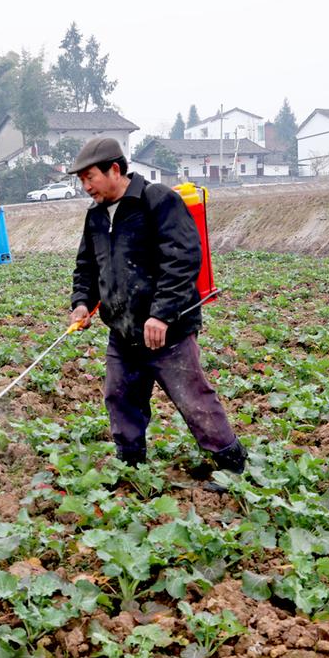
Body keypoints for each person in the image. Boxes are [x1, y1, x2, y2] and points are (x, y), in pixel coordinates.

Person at [67, 137, 246, 478]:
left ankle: (231, 464)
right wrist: (80, 304)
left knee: (193, 399)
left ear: (114, 169)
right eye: (82, 180)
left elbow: (183, 259)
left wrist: (161, 314)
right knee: (120, 397)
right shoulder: (96, 216)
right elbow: (87, 266)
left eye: (90, 177)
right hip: (123, 329)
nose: (86, 186)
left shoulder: (157, 201)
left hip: (169, 330)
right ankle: (131, 465)